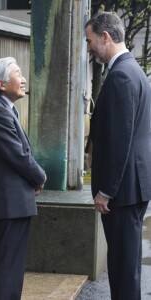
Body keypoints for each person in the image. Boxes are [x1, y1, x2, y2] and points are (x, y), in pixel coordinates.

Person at [85, 12, 151, 300]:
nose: (88, 47)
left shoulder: (122, 75)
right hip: (133, 183)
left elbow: (120, 140)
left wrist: (106, 190)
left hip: (123, 188)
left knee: (123, 267)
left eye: (90, 41)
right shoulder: (133, 70)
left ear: (105, 37)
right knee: (125, 263)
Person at [0, 57, 46, 300]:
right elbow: (18, 154)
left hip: (14, 199)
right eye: (18, 73)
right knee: (7, 264)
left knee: (12, 265)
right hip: (10, 200)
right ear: (1, 84)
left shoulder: (2, 107)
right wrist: (40, 176)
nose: (24, 78)